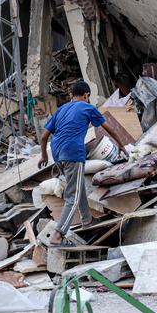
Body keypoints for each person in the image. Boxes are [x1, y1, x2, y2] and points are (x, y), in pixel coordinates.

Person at [38, 81, 127, 247]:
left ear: (72, 95)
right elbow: (109, 128)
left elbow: (44, 137)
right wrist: (121, 145)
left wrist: (43, 156)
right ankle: (58, 234)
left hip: (57, 154)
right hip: (73, 153)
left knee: (77, 187)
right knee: (73, 196)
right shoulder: (88, 108)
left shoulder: (61, 109)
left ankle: (87, 220)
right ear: (86, 95)